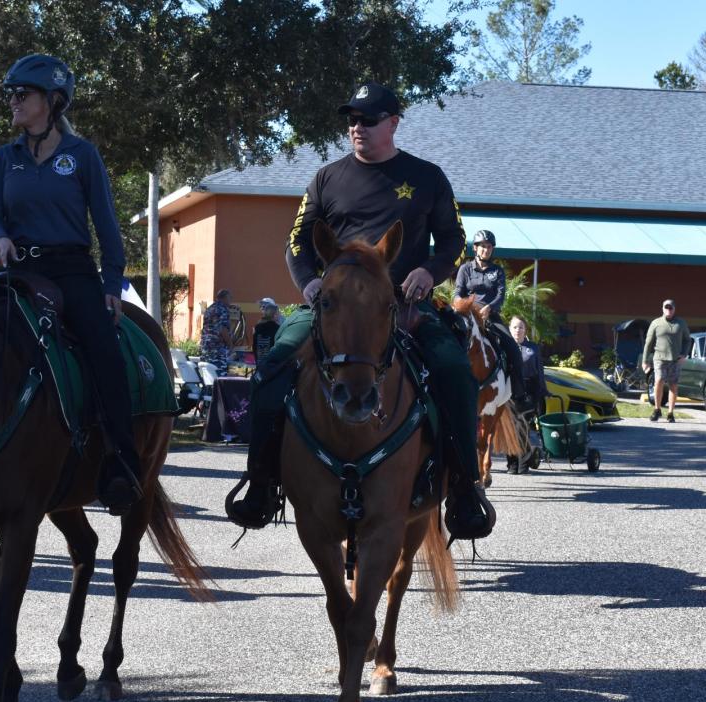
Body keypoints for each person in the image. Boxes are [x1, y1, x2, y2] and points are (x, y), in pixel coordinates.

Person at [226, 82, 493, 542]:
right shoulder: (326, 178)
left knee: (454, 371)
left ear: (392, 123)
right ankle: (263, 482)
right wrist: (310, 283)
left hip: (405, 306)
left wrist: (430, 273)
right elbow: (297, 241)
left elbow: (453, 241)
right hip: (331, 306)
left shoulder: (427, 177)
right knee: (272, 367)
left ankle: (465, 491)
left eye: (367, 119)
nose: (357, 127)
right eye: (352, 119)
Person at [0, 53, 140, 516]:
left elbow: (106, 225)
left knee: (104, 352)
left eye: (22, 94)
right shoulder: (1, 159)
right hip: (16, 268)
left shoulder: (81, 155)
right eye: (10, 94)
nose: (13, 101)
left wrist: (111, 283)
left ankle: (121, 464)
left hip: (72, 270)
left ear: (51, 101)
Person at [454, 229, 531, 412]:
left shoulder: (497, 271)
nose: (486, 250)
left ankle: (520, 395)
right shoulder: (465, 269)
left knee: (513, 349)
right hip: (468, 315)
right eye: (482, 247)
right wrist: (460, 305)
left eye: (489, 247)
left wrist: (490, 308)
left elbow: (500, 295)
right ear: (475, 248)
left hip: (491, 316)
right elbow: (458, 291)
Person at [642, 299, 691, 423]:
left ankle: (670, 413)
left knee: (673, 385)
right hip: (659, 358)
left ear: (674, 309)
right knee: (659, 380)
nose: (668, 310)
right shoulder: (656, 323)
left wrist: (684, 354)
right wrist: (645, 360)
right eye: (666, 307)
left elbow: (687, 340)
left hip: (675, 360)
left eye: (671, 308)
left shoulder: (681, 323)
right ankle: (657, 409)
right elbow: (648, 343)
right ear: (662, 308)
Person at [508, 315, 546, 413]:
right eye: (515, 327)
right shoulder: (503, 347)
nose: (518, 330)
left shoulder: (533, 347)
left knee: (527, 421)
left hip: (530, 390)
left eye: (521, 327)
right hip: (510, 390)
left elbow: (540, 370)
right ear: (509, 329)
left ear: (525, 330)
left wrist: (543, 389)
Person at [200, 289, 234, 376]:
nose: (231, 300)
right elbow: (223, 329)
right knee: (219, 377)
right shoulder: (222, 310)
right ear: (225, 298)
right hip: (217, 349)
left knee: (208, 376)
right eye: (230, 297)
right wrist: (230, 345)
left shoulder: (210, 309)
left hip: (206, 347)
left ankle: (208, 390)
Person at [253, 298, 282, 364]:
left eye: (264, 306)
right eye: (261, 306)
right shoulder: (260, 326)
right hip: (269, 364)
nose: (261, 307)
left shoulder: (258, 326)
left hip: (263, 363)